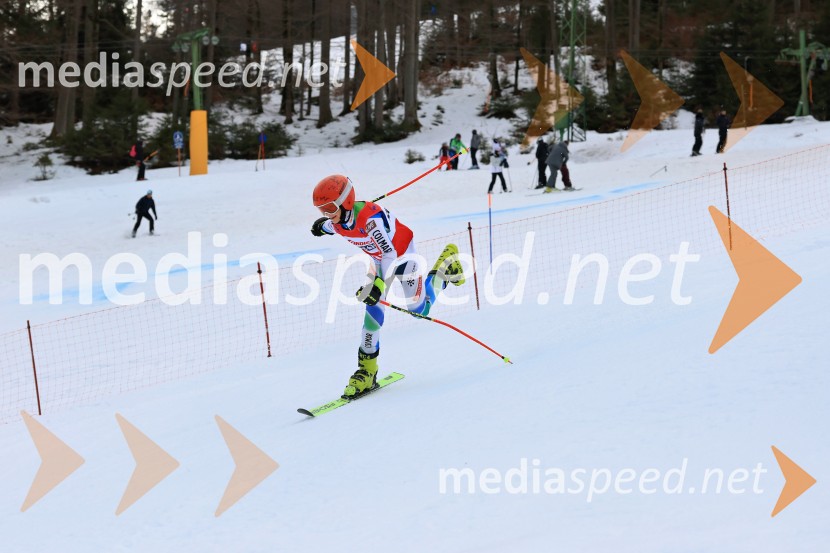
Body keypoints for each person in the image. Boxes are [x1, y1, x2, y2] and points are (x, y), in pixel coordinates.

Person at [310, 175, 465, 398]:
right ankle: (367, 371)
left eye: (329, 207)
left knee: (420, 311)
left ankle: (445, 268)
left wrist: (378, 284)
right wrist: (322, 227)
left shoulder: (371, 221)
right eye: (320, 209)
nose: (326, 213)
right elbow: (335, 226)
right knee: (372, 309)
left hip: (401, 257)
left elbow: (389, 253)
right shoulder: (338, 220)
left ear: (345, 202)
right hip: (379, 260)